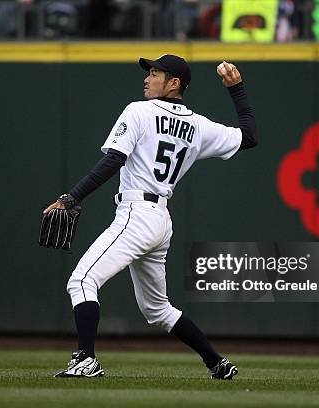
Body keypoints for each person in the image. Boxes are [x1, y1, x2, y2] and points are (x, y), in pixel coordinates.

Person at [43, 54, 257, 380]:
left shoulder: (139, 110)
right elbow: (249, 136)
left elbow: (114, 158)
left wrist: (70, 197)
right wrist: (236, 89)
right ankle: (217, 363)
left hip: (136, 213)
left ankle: (86, 358)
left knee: (82, 281)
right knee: (158, 310)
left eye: (156, 73)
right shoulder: (198, 125)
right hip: (160, 221)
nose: (148, 78)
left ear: (174, 84)